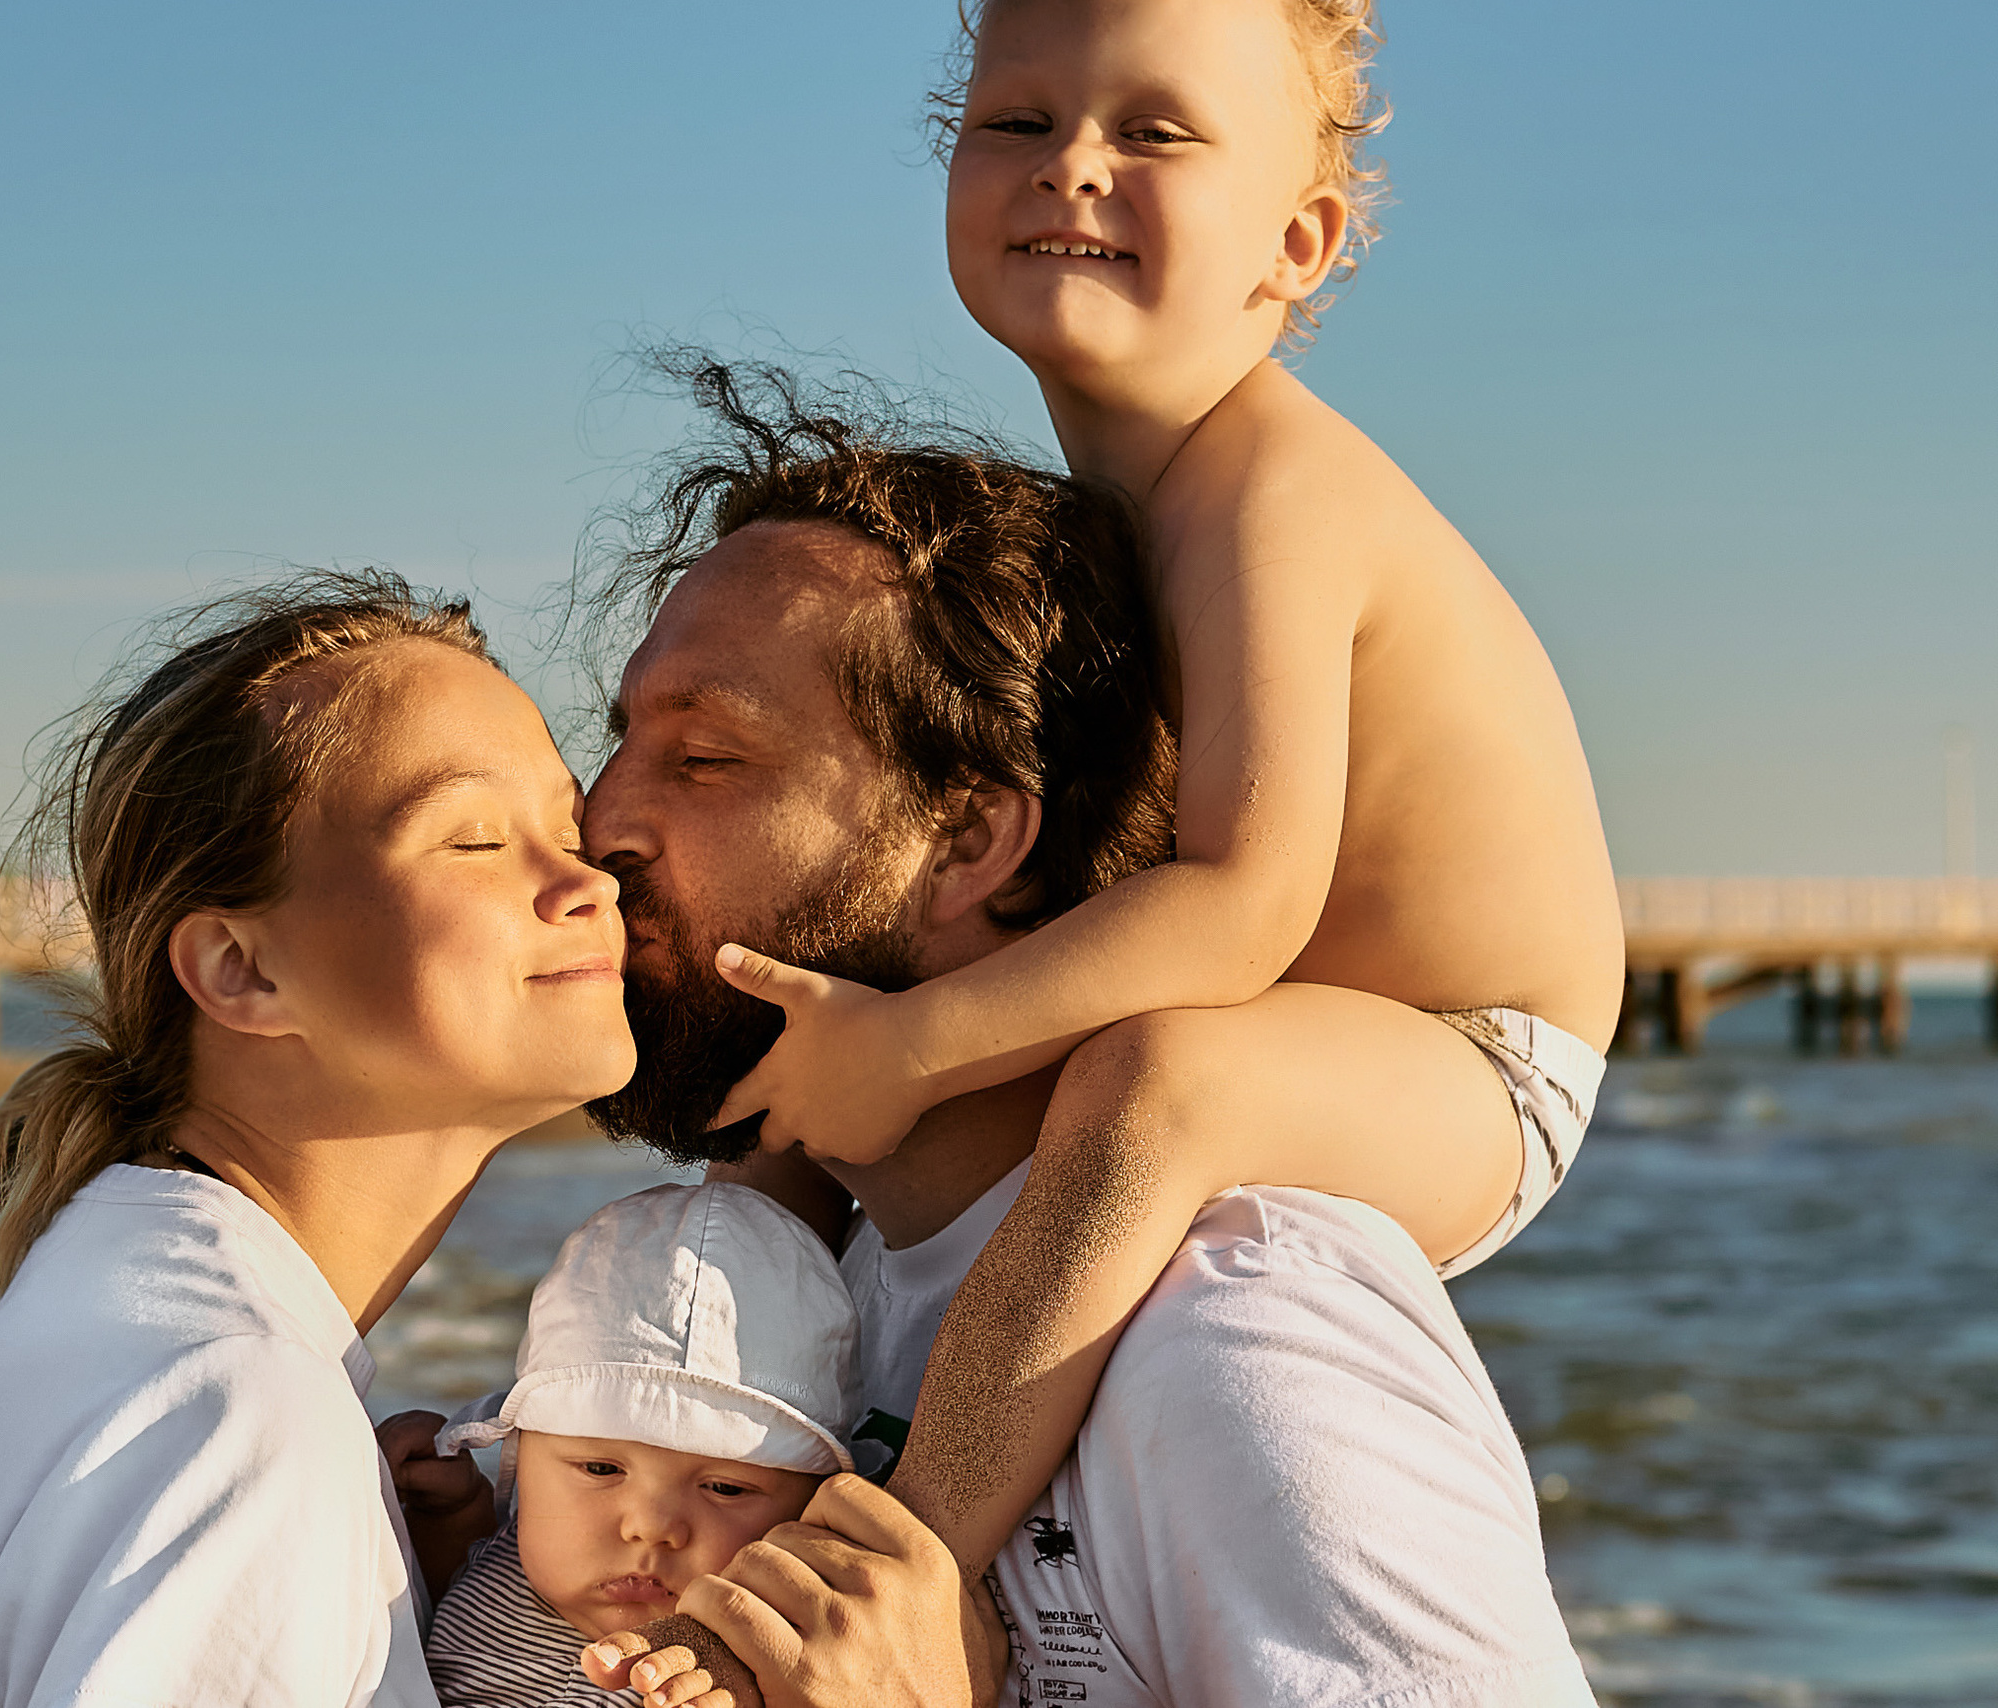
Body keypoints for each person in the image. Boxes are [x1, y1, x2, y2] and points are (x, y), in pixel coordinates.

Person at [693, 0, 1628, 1578]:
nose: (1071, 166)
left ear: (1299, 242)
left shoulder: (1273, 487)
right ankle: (684, 1414)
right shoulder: (1110, 504)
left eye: (1156, 132)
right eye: (1014, 123)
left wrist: (916, 1049)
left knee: (1157, 1085)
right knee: (828, 1040)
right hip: (1278, 1010)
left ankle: (914, 1562)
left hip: (1472, 1063)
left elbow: (1246, 904)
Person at [577, 374, 1596, 1706]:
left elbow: (1247, 897)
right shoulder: (808, 1300)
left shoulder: (1241, 1360)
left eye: (705, 761)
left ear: (970, 840)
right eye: (619, 745)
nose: (598, 824)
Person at [0, 576, 637, 1708]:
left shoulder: (122, 1297)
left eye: (570, 828)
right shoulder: (240, 1413)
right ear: (240, 970)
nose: (586, 882)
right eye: (477, 838)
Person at [382, 1182, 858, 1708]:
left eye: (725, 1487)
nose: (650, 1527)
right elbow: (444, 1603)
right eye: (602, 1469)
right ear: (523, 1458)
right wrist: (449, 1516)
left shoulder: (756, 1673)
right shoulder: (517, 1556)